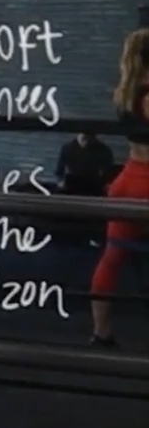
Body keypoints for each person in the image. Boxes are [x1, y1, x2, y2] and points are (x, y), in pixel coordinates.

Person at [92, 28, 149, 349]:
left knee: (112, 259)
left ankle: (101, 332)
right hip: (146, 182)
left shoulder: (125, 91)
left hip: (127, 178)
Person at [54, 132, 114, 198]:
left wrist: (105, 185)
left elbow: (109, 174)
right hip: (72, 190)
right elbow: (59, 172)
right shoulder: (67, 148)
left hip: (94, 190)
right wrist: (61, 183)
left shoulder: (104, 150)